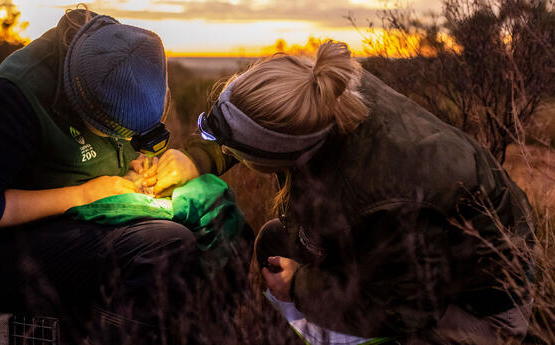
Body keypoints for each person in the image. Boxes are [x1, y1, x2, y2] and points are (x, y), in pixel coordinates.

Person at [150, 41, 536, 344]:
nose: (223, 146)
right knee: (274, 241)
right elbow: (256, 126)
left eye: (231, 148)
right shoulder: (327, 93)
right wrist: (199, 159)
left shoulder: (385, 193)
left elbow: (409, 310)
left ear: (279, 154)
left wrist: (301, 285)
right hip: (402, 250)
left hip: (478, 304)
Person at [0, 9, 199, 344]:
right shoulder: (15, 97)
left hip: (87, 224)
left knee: (209, 221)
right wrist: (84, 195)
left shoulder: (121, 53)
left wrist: (131, 164)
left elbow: (103, 139)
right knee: (166, 246)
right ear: (82, 105)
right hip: (5, 253)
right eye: (118, 133)